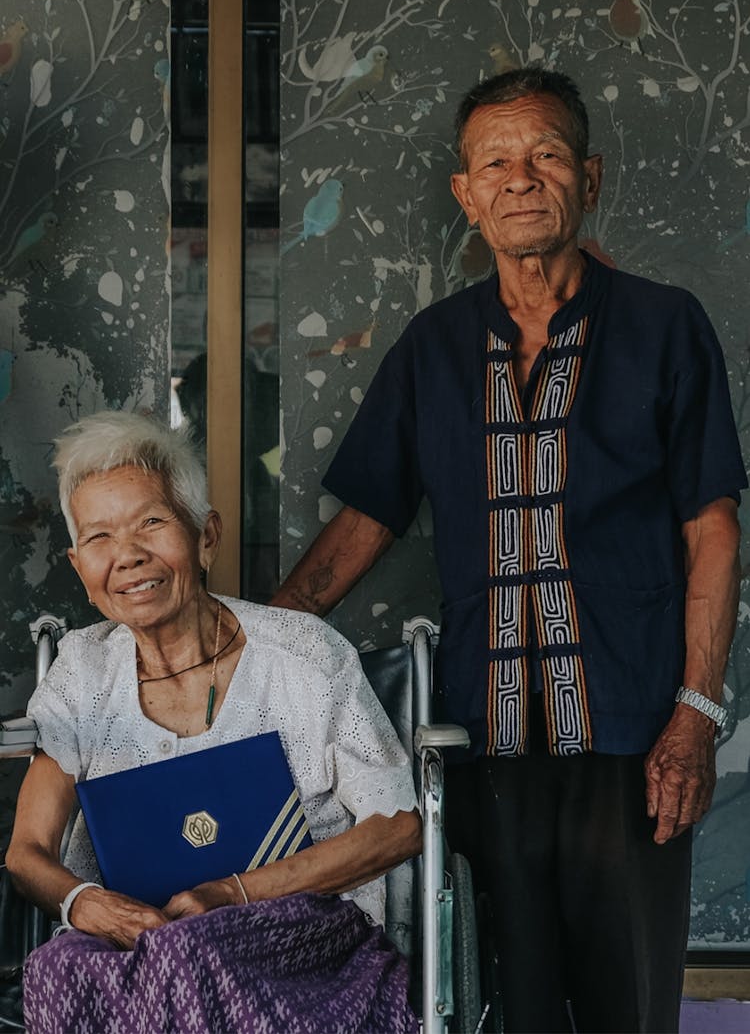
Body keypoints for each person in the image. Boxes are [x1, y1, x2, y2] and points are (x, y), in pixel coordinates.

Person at [271, 68, 747, 1033]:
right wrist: (249, 650)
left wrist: (696, 712)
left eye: (547, 155)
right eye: (496, 162)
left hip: (632, 731)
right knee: (499, 1000)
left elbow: (713, 528)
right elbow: (364, 523)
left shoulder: (665, 327)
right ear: (466, 193)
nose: (521, 178)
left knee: (632, 1003)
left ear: (591, 177)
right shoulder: (434, 347)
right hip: (480, 737)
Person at [6, 411, 421, 1034]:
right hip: (134, 942)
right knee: (58, 967)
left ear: (206, 536)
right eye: (99, 538)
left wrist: (231, 894)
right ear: (77, 566)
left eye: (152, 522)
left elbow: (398, 829)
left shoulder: (304, 654)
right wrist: (86, 903)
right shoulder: (80, 673)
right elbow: (28, 850)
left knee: (187, 954)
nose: (128, 557)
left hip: (303, 938)